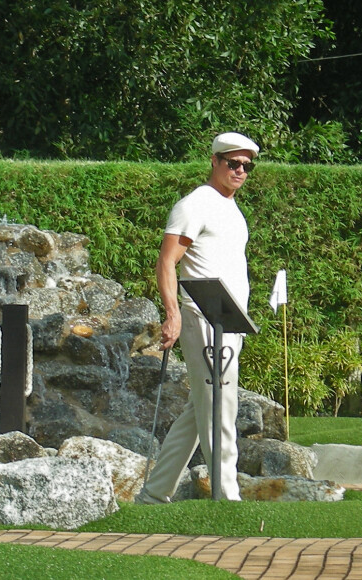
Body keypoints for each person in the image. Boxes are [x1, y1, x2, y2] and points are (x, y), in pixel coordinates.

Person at [135, 132, 259, 503]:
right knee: (221, 406)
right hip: (201, 318)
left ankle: (154, 495)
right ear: (215, 162)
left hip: (229, 323)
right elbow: (167, 261)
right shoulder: (195, 204)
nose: (240, 171)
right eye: (233, 163)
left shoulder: (231, 208)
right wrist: (171, 314)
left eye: (246, 166)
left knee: (200, 409)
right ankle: (227, 496)